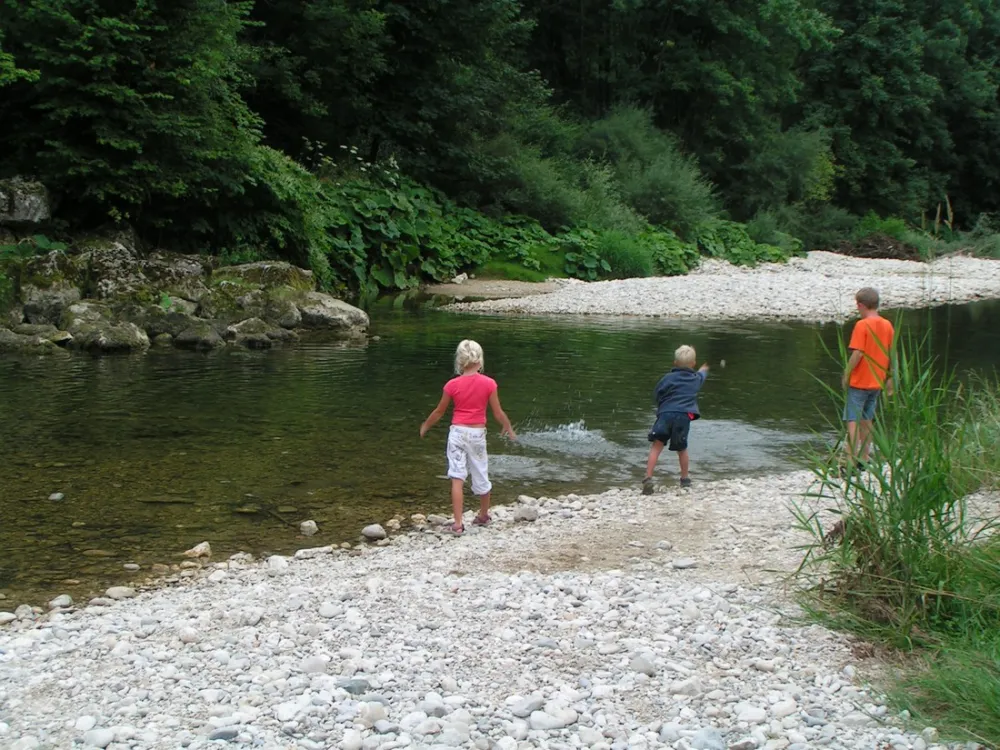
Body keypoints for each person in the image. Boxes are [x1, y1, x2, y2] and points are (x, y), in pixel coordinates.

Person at [420, 339, 516, 534]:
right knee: (481, 472)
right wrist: (508, 427)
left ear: (459, 362)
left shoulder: (452, 385)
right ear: (480, 361)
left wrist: (426, 426)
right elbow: (497, 412)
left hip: (457, 433)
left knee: (457, 477)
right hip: (477, 434)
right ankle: (483, 515)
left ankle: (457, 524)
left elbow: (439, 411)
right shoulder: (489, 384)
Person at [642, 345, 709, 494]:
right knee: (682, 448)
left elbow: (657, 393)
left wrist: (661, 405)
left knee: (657, 445)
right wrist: (704, 369)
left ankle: (648, 477)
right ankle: (684, 479)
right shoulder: (695, 378)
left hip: (666, 414)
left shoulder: (667, 378)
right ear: (693, 364)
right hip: (683, 417)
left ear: (674, 363)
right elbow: (702, 375)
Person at [842, 287, 895, 471]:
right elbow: (890, 353)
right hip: (877, 381)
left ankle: (849, 461)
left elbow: (858, 353)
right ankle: (864, 459)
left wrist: (846, 374)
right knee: (867, 420)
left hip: (860, 382)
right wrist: (890, 379)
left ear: (861, 305)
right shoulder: (887, 325)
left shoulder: (862, 325)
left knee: (852, 421)